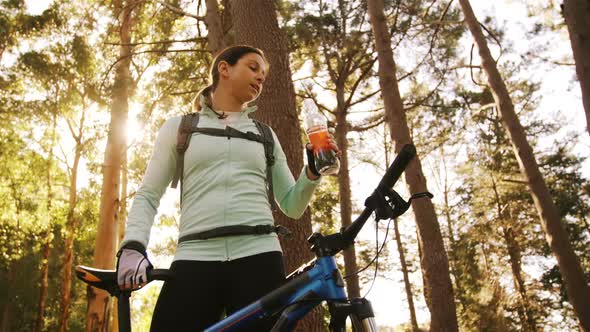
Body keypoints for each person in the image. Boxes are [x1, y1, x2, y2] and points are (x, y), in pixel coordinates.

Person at [115, 45, 340, 331]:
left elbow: (292, 205)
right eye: (253, 67)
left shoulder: (264, 135)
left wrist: (311, 171)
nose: (261, 78)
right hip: (194, 257)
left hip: (259, 259)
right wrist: (133, 246)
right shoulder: (179, 128)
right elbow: (148, 194)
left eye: (264, 74)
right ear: (224, 68)